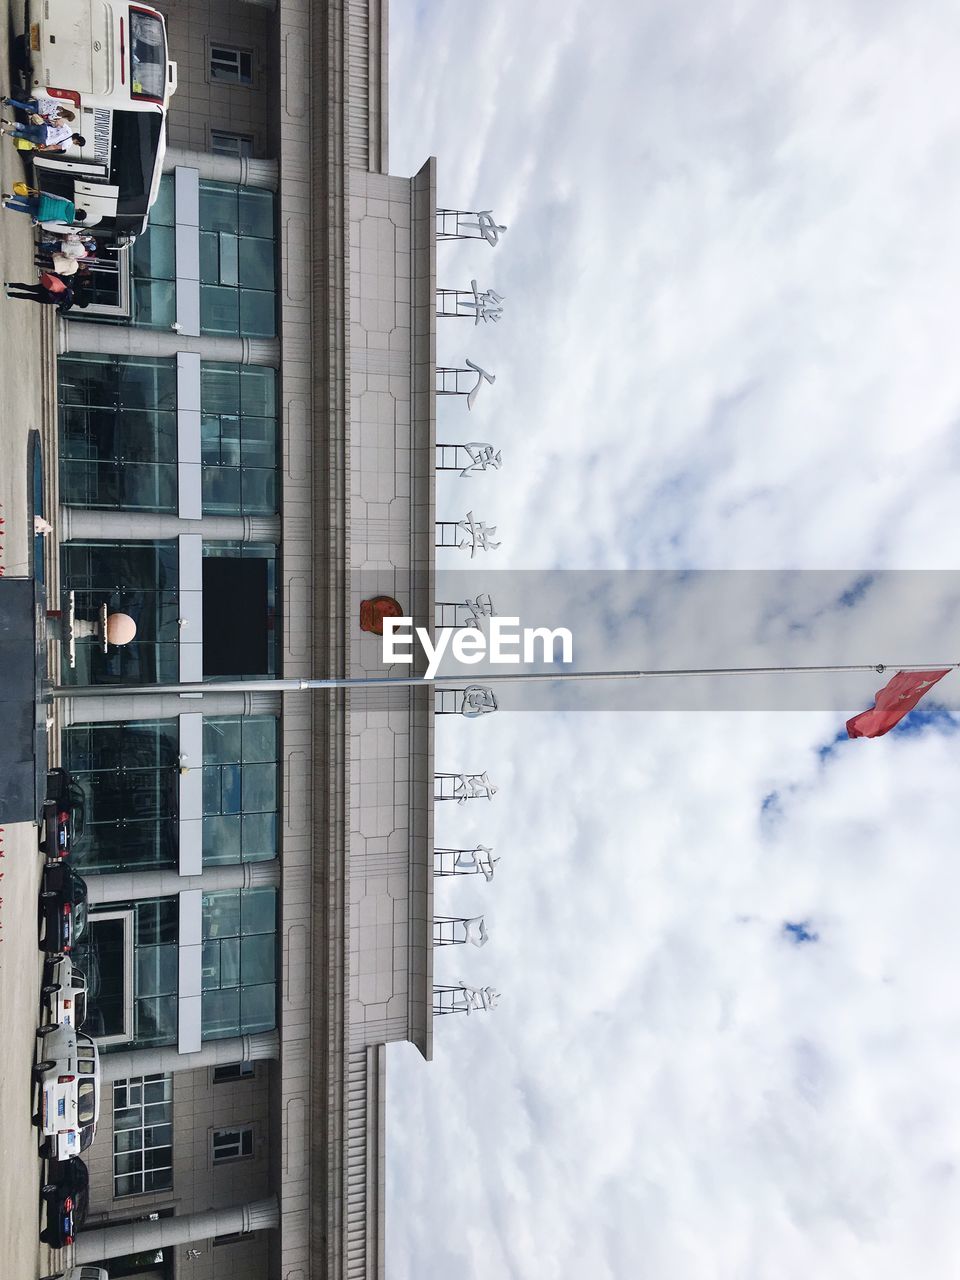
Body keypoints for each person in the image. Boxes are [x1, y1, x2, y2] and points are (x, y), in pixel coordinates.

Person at [0, 118, 85, 149]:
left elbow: (58, 121)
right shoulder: (68, 145)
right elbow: (54, 146)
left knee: (25, 127)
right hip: (43, 139)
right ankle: (4, 131)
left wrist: (54, 125)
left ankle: (9, 123)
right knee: (23, 135)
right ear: (77, 142)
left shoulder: (69, 130)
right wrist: (44, 149)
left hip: (44, 129)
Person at [2, 95, 76, 125]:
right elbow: (50, 117)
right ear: (67, 117)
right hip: (38, 110)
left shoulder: (60, 105)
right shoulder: (59, 116)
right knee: (22, 106)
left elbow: (50, 100)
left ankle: (7, 103)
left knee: (23, 104)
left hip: (39, 102)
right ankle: (7, 100)